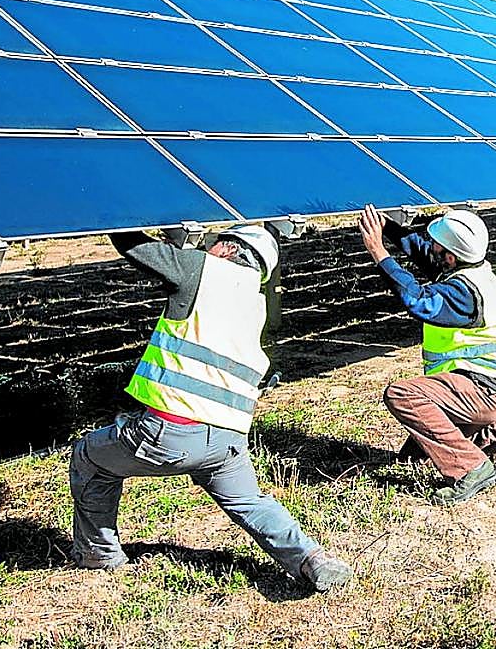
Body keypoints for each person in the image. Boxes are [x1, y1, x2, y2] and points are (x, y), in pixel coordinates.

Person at [69, 225, 351, 592]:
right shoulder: (252, 300)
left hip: (169, 433)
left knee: (89, 457)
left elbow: (131, 244)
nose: (205, 248)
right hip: (226, 438)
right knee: (249, 501)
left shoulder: (204, 271)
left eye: (211, 244)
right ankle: (312, 558)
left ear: (230, 250)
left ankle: (98, 554)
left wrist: (111, 209)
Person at [358, 205, 496, 506]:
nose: (431, 247)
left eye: (438, 244)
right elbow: (422, 251)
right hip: (480, 386)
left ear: (450, 256)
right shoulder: (470, 269)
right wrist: (389, 228)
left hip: (481, 391)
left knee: (402, 396)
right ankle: (494, 432)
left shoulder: (463, 295)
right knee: (411, 458)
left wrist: (378, 252)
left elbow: (418, 300)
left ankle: (472, 468)